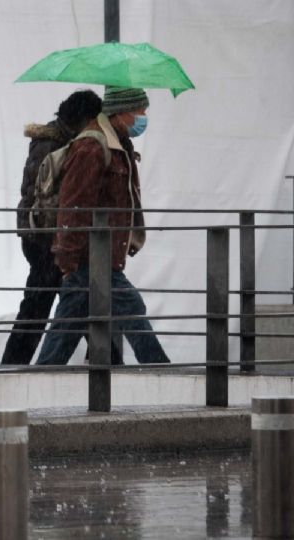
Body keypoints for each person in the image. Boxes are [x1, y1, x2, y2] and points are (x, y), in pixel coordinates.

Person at [36, 86, 170, 365]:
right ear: (121, 113)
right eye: (140, 112)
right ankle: (162, 369)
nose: (144, 117)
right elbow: (74, 205)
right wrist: (68, 257)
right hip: (89, 255)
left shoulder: (117, 143)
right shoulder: (92, 147)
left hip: (97, 254)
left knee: (67, 325)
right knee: (131, 306)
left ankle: (41, 376)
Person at [2, 89, 119, 365]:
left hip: (45, 236)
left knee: (76, 302)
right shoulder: (58, 145)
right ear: (85, 118)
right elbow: (53, 199)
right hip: (48, 239)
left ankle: (108, 361)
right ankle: (13, 366)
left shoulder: (56, 140)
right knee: (44, 307)